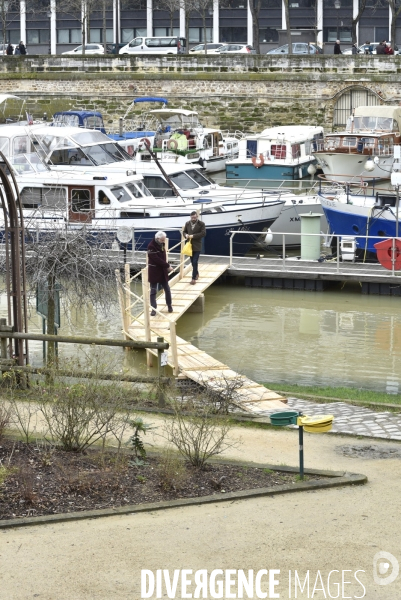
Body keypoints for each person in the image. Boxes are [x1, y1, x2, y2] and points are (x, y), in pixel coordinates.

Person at [147, 231, 173, 316]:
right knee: (153, 291)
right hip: (154, 270)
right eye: (162, 240)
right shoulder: (151, 246)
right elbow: (156, 259)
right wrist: (167, 266)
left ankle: (169, 305)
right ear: (157, 238)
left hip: (162, 270)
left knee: (167, 289)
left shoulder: (161, 244)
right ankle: (153, 309)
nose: (163, 241)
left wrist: (165, 265)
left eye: (164, 240)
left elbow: (162, 256)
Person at [182, 210, 206, 285]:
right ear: (190, 217)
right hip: (189, 245)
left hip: (197, 245)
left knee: (195, 261)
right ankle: (197, 273)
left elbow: (203, 233)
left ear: (197, 216)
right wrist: (185, 235)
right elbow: (184, 231)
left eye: (195, 217)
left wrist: (194, 236)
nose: (193, 219)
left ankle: (193, 278)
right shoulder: (187, 223)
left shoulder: (201, 224)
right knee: (192, 262)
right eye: (192, 218)